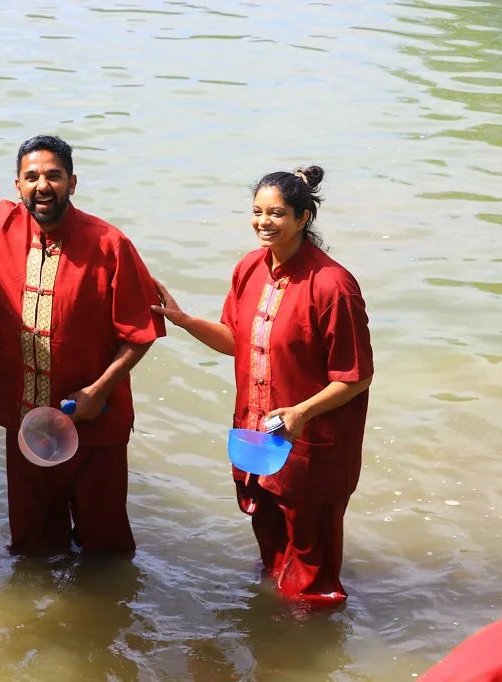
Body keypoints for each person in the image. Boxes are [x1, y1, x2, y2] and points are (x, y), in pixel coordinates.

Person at [0, 135, 166, 556]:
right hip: (27, 424)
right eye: (31, 177)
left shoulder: (110, 245)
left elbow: (140, 332)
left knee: (104, 548)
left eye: (53, 176)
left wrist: (99, 391)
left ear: (73, 183)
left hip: (94, 424)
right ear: (17, 185)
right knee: (32, 547)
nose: (42, 186)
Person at [152, 166, 373, 608]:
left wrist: (299, 414)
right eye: (257, 212)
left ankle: (310, 645)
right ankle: (273, 627)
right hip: (257, 436)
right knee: (270, 548)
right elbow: (235, 341)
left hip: (311, 446)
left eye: (277, 214)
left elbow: (355, 376)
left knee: (314, 566)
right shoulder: (249, 267)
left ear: (303, 218)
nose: (264, 223)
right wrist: (182, 319)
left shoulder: (333, 286)